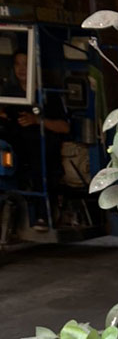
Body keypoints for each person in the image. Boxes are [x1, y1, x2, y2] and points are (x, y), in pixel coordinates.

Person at [0, 49, 70, 228]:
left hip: (42, 149)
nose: (21, 69)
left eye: (26, 64)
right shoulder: (10, 93)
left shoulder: (48, 94)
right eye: (17, 64)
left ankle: (43, 214)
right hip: (15, 149)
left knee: (39, 163)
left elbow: (64, 127)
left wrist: (37, 121)